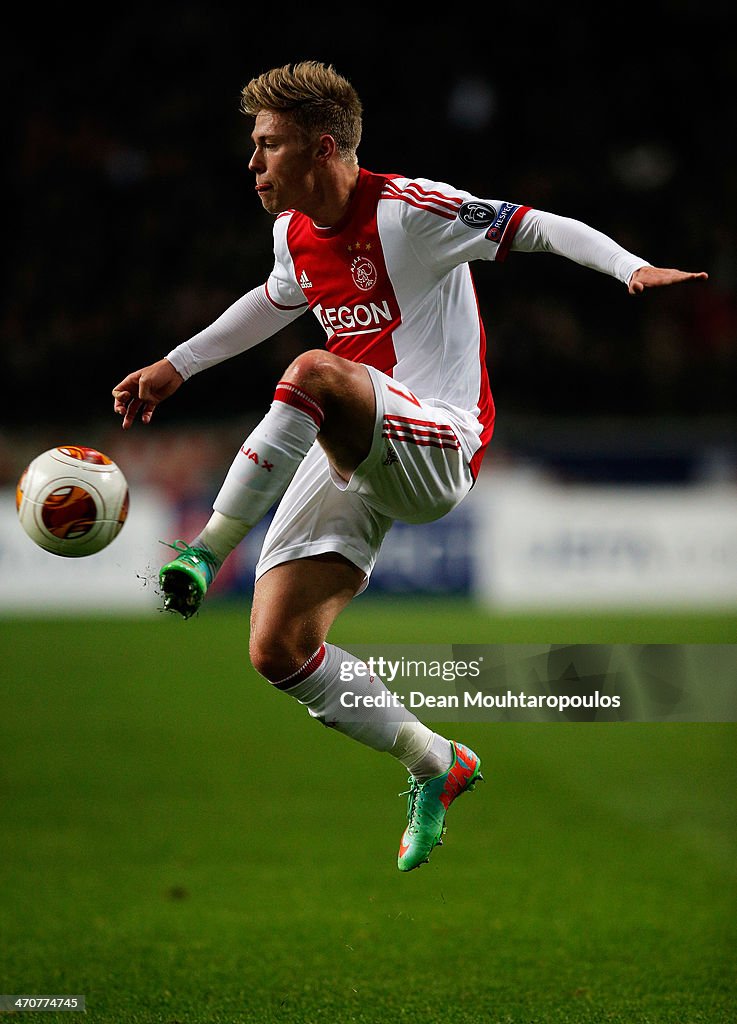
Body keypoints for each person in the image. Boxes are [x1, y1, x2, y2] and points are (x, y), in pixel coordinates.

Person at [112, 61, 708, 873]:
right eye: (253, 145)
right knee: (279, 649)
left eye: (268, 144)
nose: (252, 162)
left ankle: (205, 552)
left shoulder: (410, 209)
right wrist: (176, 365)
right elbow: (273, 296)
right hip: (355, 437)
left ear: (321, 147)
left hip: (439, 441)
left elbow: (532, 223)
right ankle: (436, 762)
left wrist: (627, 266)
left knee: (314, 372)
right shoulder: (291, 230)